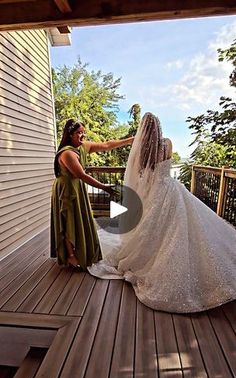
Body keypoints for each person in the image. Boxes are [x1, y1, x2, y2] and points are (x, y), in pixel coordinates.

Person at [88, 112, 236, 313]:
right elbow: (165, 164)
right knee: (179, 226)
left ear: (143, 130)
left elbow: (141, 175)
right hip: (170, 188)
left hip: (154, 191)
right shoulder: (167, 143)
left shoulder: (141, 149)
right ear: (159, 127)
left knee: (154, 228)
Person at [50, 119, 134, 270]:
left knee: (78, 220)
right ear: (69, 135)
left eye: (83, 132)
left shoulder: (83, 147)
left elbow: (106, 145)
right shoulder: (68, 153)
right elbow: (82, 175)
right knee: (68, 221)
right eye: (78, 133)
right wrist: (105, 187)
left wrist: (129, 141)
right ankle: (71, 256)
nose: (82, 135)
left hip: (76, 187)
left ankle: (81, 250)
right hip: (67, 190)